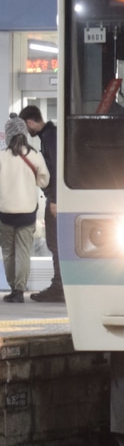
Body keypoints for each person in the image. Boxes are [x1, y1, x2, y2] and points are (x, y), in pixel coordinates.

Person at [0, 115, 49, 303]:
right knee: (23, 251)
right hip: (27, 212)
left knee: (8, 252)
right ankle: (20, 291)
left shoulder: (2, 157)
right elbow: (44, 180)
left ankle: (13, 288)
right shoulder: (34, 155)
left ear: (8, 135)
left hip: (5, 212)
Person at [18, 106, 61, 302]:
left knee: (55, 243)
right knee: (55, 243)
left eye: (26, 127)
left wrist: (54, 200)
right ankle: (59, 285)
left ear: (29, 122)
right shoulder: (50, 135)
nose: (28, 132)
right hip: (54, 198)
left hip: (55, 200)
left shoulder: (50, 136)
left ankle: (58, 287)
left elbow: (57, 168)